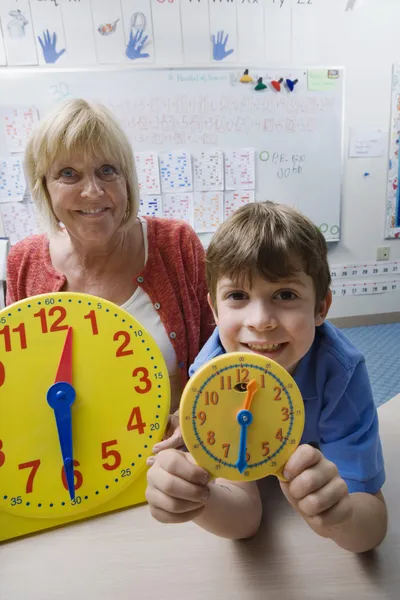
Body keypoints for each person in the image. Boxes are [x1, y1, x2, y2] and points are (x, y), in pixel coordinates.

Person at [146, 201, 388, 551]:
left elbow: (371, 526)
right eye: (238, 296)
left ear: (321, 308)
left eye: (285, 295)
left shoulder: (341, 374)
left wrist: (342, 517)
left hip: (319, 462)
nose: (260, 321)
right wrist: (195, 497)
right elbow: (245, 520)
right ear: (214, 309)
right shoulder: (211, 376)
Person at [6, 98, 214, 423]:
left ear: (126, 180)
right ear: (43, 186)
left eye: (107, 171)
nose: (93, 191)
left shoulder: (175, 245)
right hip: (72, 464)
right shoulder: (24, 261)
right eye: (68, 174)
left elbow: (219, 357)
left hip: (174, 464)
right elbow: (19, 378)